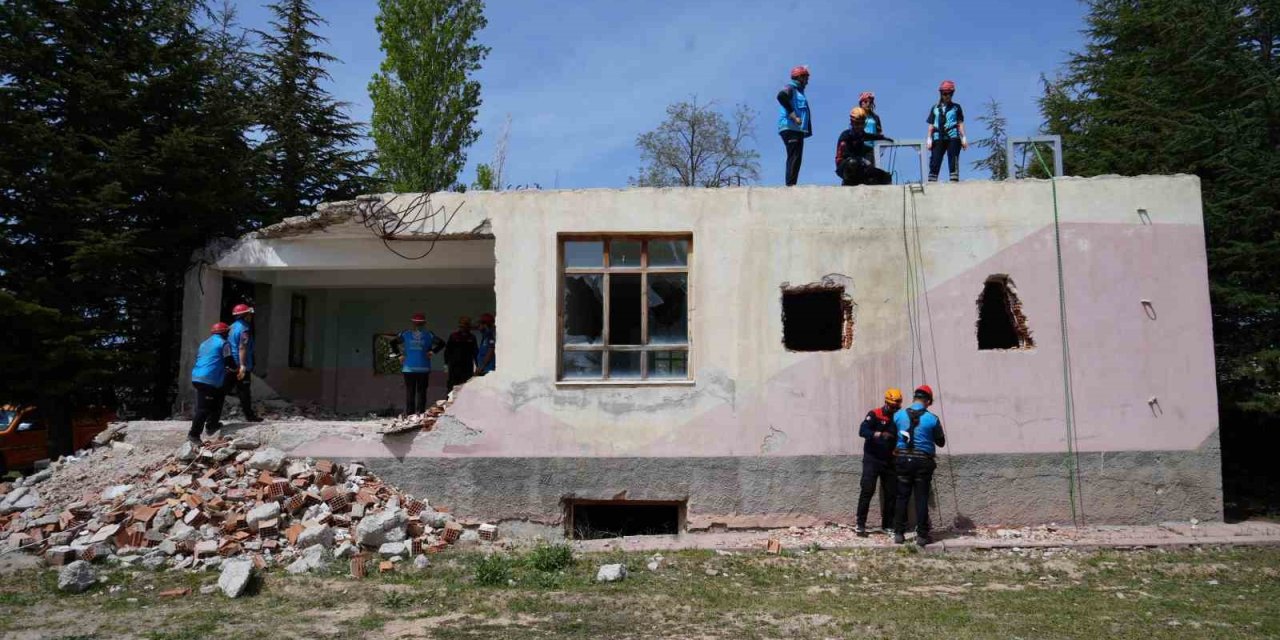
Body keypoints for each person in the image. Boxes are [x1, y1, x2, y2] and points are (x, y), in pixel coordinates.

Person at [892, 385, 946, 546]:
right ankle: (922, 536)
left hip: (902, 460)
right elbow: (941, 442)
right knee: (921, 498)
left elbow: (894, 434)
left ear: (915, 398)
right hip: (923, 462)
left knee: (902, 497)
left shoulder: (898, 415)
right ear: (928, 401)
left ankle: (899, 534)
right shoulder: (933, 419)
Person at [856, 388, 902, 536]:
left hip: (890, 460)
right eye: (893, 406)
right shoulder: (875, 414)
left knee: (891, 493)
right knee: (867, 490)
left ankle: (888, 525)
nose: (895, 409)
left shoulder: (898, 418)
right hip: (872, 459)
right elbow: (862, 431)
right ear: (887, 403)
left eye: (897, 407)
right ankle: (861, 524)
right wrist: (879, 434)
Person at [189, 322, 235, 444]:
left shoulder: (204, 344)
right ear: (224, 333)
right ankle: (194, 435)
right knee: (203, 408)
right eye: (227, 332)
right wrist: (236, 369)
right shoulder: (224, 344)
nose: (228, 334)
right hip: (208, 380)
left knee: (219, 397)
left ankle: (212, 425)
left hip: (198, 377)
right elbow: (229, 361)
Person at [390, 312, 442, 415]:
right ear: (424, 323)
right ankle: (420, 414)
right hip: (423, 368)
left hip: (409, 369)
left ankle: (410, 414)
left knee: (410, 391)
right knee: (421, 392)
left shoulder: (405, 334)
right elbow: (441, 343)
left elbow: (393, 342)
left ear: (413, 323)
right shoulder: (429, 335)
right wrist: (433, 351)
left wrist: (399, 355)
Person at [835, 108, 892, 186]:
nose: (859, 127)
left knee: (885, 177)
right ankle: (848, 183)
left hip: (859, 166)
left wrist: (883, 138)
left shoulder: (861, 135)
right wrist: (863, 160)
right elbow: (845, 156)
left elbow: (870, 136)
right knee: (853, 163)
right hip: (845, 166)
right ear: (852, 123)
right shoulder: (845, 137)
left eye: (862, 124)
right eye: (857, 124)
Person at [776, 65, 812, 186]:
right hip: (790, 127)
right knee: (794, 156)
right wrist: (793, 115)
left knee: (797, 157)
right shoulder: (791, 87)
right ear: (799, 77)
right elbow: (781, 96)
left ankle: (792, 184)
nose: (807, 81)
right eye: (806, 77)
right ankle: (790, 186)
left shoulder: (799, 91)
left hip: (797, 129)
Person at [926, 80, 967, 183]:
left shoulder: (956, 107)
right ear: (941, 94)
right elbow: (931, 124)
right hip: (937, 137)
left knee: (953, 159)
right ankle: (932, 181)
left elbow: (960, 123)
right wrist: (929, 138)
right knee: (935, 160)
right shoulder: (935, 108)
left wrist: (964, 138)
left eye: (949, 94)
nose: (947, 96)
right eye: (945, 93)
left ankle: (954, 180)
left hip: (953, 136)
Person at [227, 303, 262, 422]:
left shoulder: (231, 327)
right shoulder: (244, 329)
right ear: (245, 315)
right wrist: (242, 366)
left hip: (231, 362)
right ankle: (250, 416)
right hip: (240, 364)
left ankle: (212, 417)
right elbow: (242, 347)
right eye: (249, 314)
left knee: (224, 389)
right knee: (244, 391)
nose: (251, 316)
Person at [443, 316, 479, 392]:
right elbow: (448, 350)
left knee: (465, 386)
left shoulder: (472, 337)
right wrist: (446, 364)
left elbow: (475, 352)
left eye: (465, 326)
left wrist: (478, 365)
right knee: (452, 386)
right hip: (454, 366)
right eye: (461, 326)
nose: (463, 328)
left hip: (467, 366)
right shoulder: (453, 336)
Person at [857, 91, 884, 163]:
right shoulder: (857, 116)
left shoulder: (875, 117)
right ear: (861, 103)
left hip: (873, 148)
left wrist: (881, 146)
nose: (868, 104)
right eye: (865, 102)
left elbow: (879, 133)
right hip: (861, 147)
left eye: (870, 102)